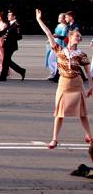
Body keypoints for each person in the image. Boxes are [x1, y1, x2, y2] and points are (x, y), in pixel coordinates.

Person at [34, 9, 92, 149]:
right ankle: (54, 139)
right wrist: (39, 19)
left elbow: (88, 72)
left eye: (80, 37)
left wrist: (91, 86)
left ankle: (89, 136)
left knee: (82, 113)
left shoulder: (81, 54)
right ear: (70, 37)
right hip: (64, 84)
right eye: (77, 36)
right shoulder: (59, 50)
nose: (79, 38)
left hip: (77, 85)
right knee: (59, 113)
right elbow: (48, 34)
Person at [0, 10, 26, 82]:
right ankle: (21, 71)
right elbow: (3, 32)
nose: (8, 16)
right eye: (8, 15)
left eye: (9, 15)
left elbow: (19, 36)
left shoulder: (17, 25)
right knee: (7, 61)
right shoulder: (9, 24)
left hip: (11, 46)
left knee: (5, 62)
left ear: (14, 16)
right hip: (6, 45)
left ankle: (3, 77)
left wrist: (10, 37)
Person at [46, 13, 69, 82]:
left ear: (64, 19)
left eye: (60, 17)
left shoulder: (65, 27)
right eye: (58, 17)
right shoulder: (58, 25)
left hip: (59, 44)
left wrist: (56, 36)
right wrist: (50, 39)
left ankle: (55, 73)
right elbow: (55, 34)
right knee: (50, 58)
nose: (58, 18)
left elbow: (63, 36)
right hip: (54, 42)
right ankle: (53, 72)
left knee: (52, 59)